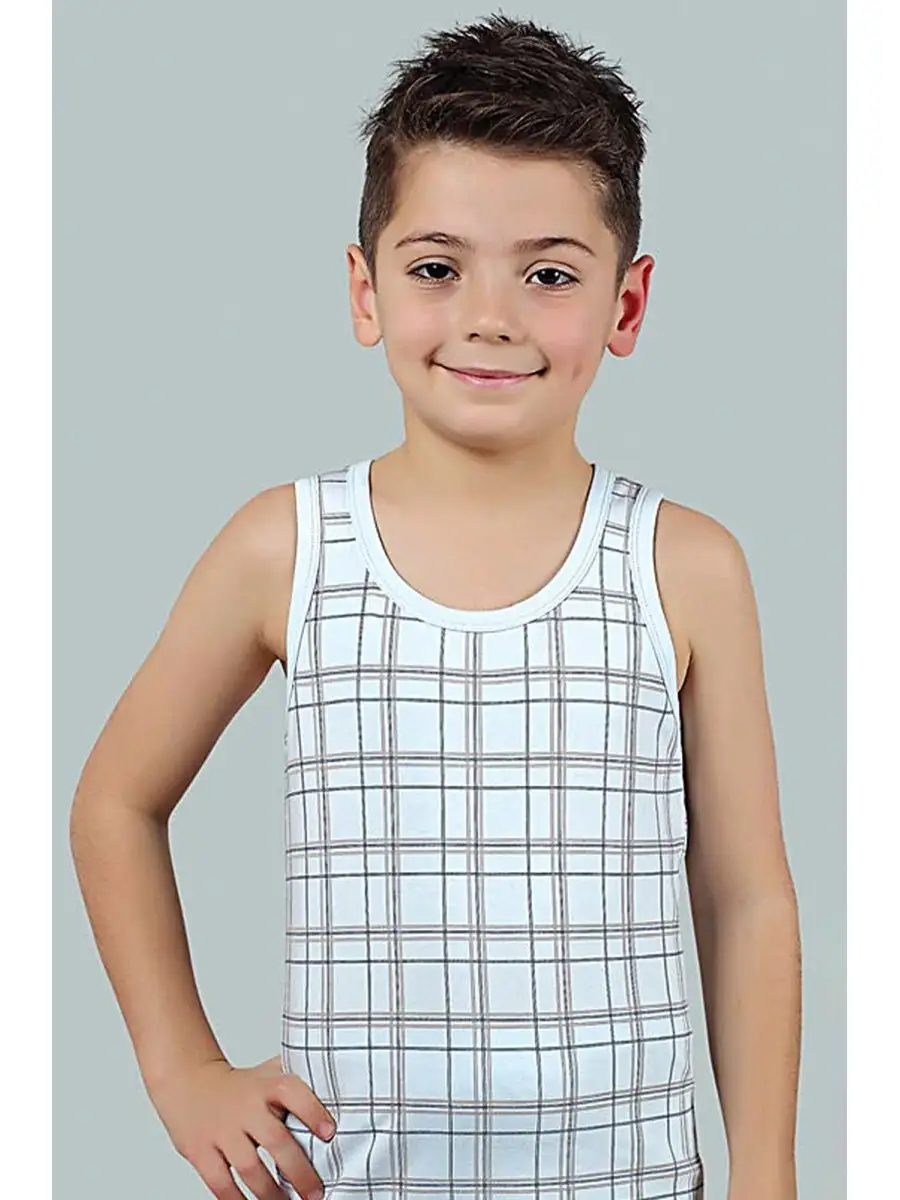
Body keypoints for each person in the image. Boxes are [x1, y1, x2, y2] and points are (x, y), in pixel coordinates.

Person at [70, 13, 801, 1200]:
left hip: (628, 1180)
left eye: (549, 274)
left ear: (626, 305)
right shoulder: (284, 547)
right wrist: (180, 1067)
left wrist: (766, 1173)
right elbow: (114, 802)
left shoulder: (686, 565)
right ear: (365, 291)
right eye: (436, 268)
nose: (491, 315)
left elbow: (746, 895)